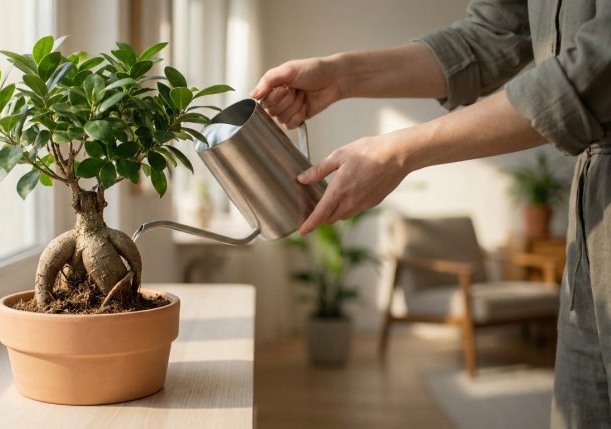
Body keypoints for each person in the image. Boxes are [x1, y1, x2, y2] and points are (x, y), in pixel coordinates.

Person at [251, 1, 611, 427]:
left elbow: (596, 68)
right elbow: (489, 37)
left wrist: (403, 151)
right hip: (589, 218)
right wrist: (341, 75)